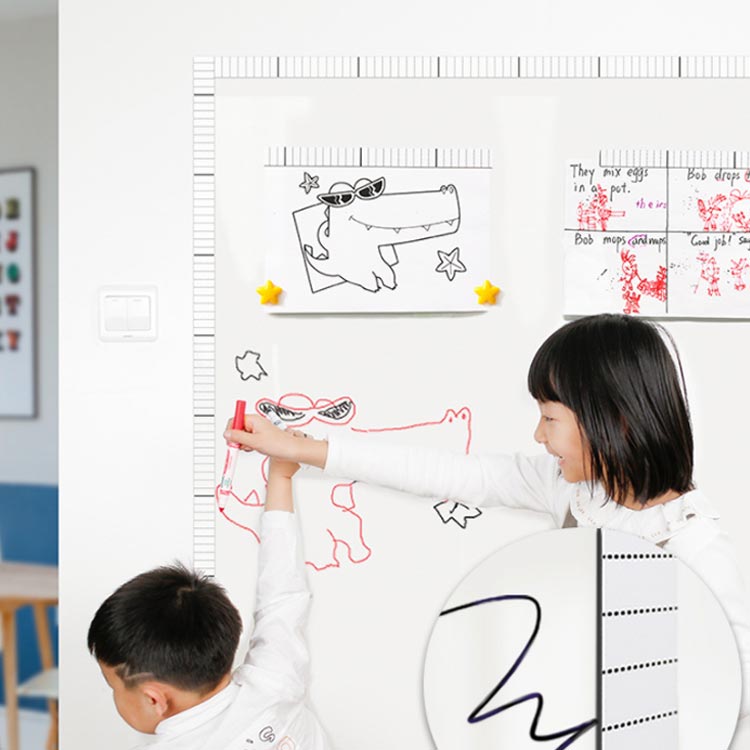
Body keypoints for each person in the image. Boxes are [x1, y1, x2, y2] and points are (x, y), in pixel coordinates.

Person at [224, 313, 750, 745]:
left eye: (550, 418)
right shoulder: (574, 492)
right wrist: (300, 448)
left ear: (612, 420)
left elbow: (737, 699)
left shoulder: (694, 548)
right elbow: (450, 473)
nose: (538, 435)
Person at [87, 452, 331, 749]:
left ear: (154, 699)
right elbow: (282, 593)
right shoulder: (273, 682)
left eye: (112, 686)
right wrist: (281, 476)